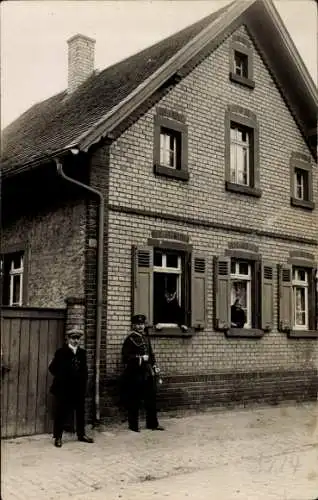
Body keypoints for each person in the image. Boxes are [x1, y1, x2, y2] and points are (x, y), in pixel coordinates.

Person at [49, 328, 94, 447]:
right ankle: (58, 437)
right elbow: (52, 368)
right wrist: (63, 378)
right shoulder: (61, 352)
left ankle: (81, 434)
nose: (75, 341)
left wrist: (84, 384)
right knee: (61, 412)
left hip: (78, 388)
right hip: (63, 388)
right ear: (68, 339)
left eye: (78, 338)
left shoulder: (82, 353)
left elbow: (84, 371)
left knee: (80, 411)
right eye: (73, 338)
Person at [121, 314, 164, 432]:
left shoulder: (146, 338)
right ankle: (133, 425)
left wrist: (155, 366)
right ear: (133, 325)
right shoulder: (129, 340)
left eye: (142, 324)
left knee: (151, 398)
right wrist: (139, 358)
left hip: (147, 373)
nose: (140, 327)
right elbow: (125, 357)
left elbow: (151, 354)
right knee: (134, 399)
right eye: (138, 324)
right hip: (135, 374)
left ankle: (153, 424)